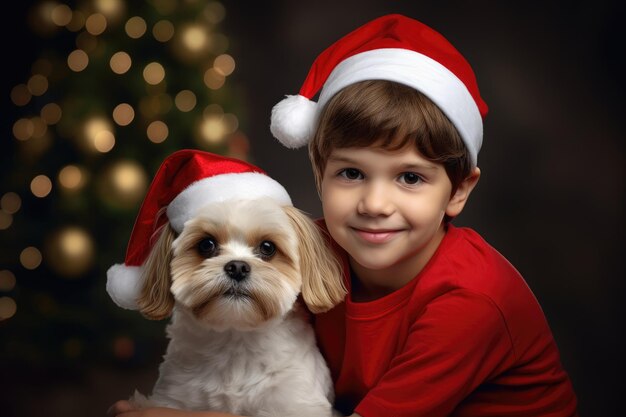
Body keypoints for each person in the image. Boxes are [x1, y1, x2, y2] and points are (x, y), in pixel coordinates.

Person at [109, 13, 578, 417]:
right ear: (319, 173)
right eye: (351, 173)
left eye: (410, 178)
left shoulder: (472, 302)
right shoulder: (301, 251)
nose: (375, 205)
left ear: (458, 190)